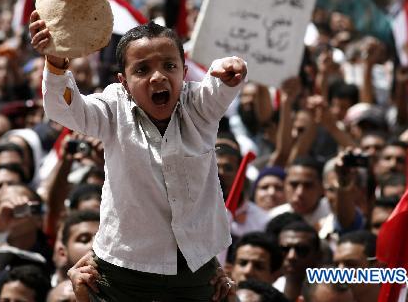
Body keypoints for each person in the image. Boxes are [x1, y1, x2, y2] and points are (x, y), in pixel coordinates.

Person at [30, 17, 247, 300]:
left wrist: (230, 67)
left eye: (169, 66)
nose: (158, 77)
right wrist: (57, 62)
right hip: (124, 269)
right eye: (142, 69)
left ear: (184, 71)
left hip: (194, 267)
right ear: (124, 82)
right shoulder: (112, 108)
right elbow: (65, 109)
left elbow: (221, 81)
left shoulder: (199, 105)